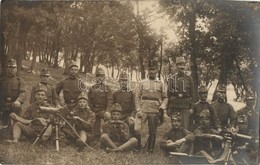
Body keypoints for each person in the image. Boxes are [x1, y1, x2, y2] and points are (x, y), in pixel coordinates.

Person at [135, 59, 168, 153]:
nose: (152, 71)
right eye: (150, 69)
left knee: (153, 131)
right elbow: (137, 97)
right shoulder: (142, 83)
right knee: (136, 128)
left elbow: (165, 97)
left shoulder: (161, 83)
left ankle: (150, 149)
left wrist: (162, 107)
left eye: (153, 69)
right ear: (148, 70)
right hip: (143, 109)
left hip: (154, 110)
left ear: (157, 70)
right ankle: (138, 146)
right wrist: (138, 109)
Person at [112, 72, 141, 150]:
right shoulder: (115, 94)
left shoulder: (131, 93)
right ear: (119, 82)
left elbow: (134, 108)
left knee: (132, 123)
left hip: (127, 116)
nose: (123, 82)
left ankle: (137, 145)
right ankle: (117, 142)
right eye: (121, 80)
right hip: (117, 116)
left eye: (125, 80)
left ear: (128, 82)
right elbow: (112, 107)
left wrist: (132, 116)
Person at [167, 56, 195, 129]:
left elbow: (193, 94)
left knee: (185, 126)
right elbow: (168, 94)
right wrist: (168, 107)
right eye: (180, 65)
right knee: (175, 126)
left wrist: (191, 107)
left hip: (185, 105)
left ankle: (184, 140)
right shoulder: (172, 78)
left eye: (183, 64)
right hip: (174, 105)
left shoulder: (189, 78)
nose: (182, 67)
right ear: (176, 66)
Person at [0, 59, 26, 125]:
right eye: (10, 67)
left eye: (14, 67)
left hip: (14, 104)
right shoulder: (2, 80)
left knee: (15, 122)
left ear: (16, 68)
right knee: (3, 125)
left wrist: (18, 100)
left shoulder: (20, 81)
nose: (12, 69)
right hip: (3, 104)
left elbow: (23, 93)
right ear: (7, 68)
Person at [88, 67, 112, 138]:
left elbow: (110, 101)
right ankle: (93, 136)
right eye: (98, 76)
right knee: (95, 131)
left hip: (103, 110)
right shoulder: (92, 89)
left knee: (107, 117)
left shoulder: (107, 89)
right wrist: (91, 110)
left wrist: (107, 111)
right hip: (94, 110)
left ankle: (107, 135)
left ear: (104, 78)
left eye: (102, 76)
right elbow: (89, 101)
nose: (100, 78)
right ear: (95, 78)